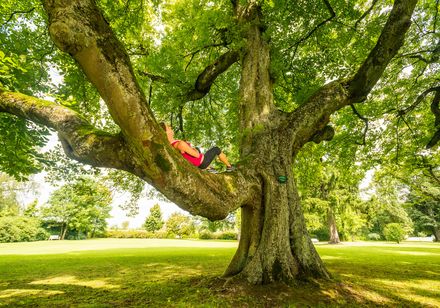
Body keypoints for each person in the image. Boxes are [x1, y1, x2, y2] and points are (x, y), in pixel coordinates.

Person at [160, 122, 235, 172]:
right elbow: (196, 155)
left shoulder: (173, 145)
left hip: (199, 164)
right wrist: (195, 150)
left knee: (198, 149)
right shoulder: (180, 144)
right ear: (165, 133)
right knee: (216, 149)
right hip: (202, 162)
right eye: (168, 127)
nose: (170, 127)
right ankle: (229, 167)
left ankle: (210, 168)